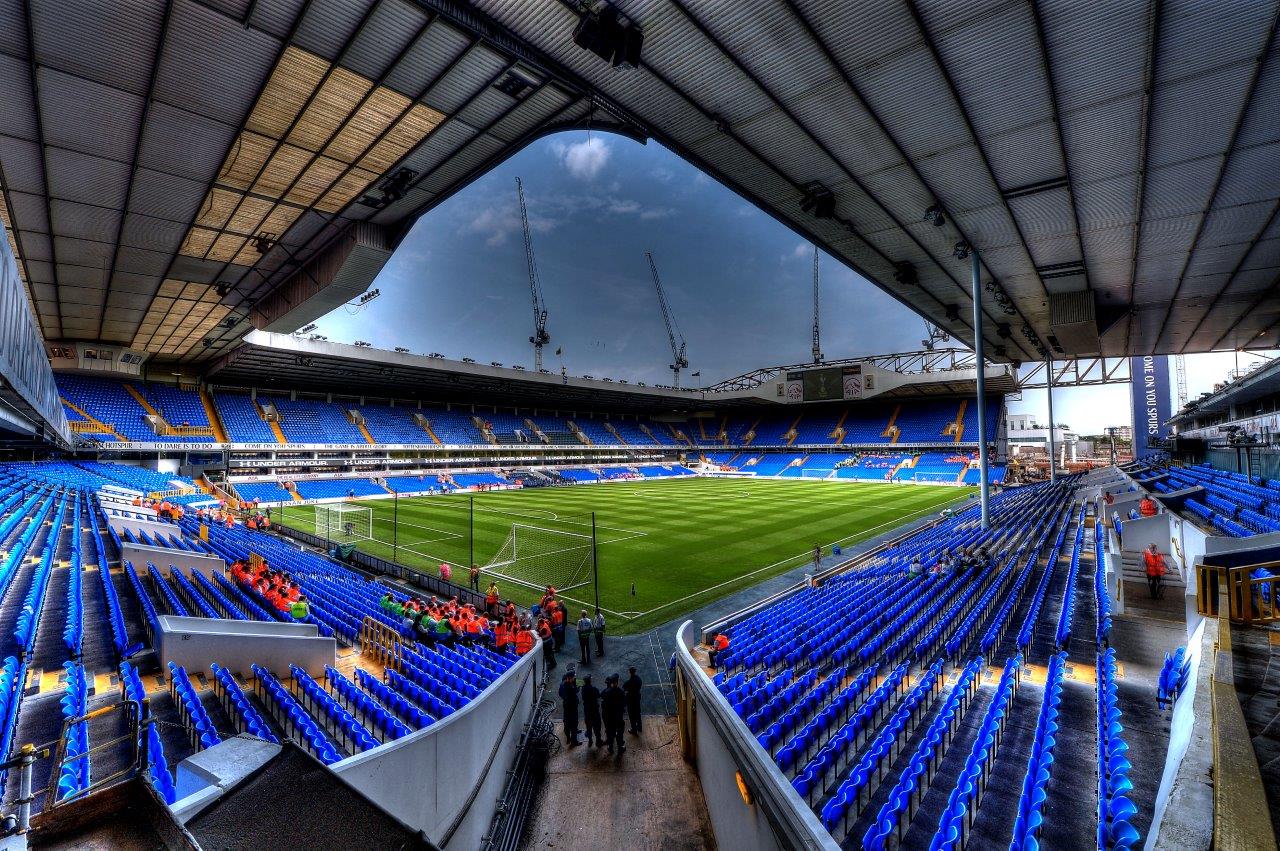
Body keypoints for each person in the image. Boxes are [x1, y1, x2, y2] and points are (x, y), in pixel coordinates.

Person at [601, 674, 626, 756]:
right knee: (619, 733)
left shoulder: (606, 692)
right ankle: (620, 748)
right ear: (617, 682)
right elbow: (624, 704)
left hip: (610, 717)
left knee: (610, 732)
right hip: (618, 717)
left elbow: (603, 704)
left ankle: (610, 747)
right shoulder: (621, 692)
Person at [558, 672, 580, 746]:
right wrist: (577, 686)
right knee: (574, 723)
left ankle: (568, 738)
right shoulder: (571, 687)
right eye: (573, 677)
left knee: (567, 723)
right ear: (570, 678)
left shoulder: (562, 684)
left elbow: (560, 693)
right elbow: (576, 690)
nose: (574, 678)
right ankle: (574, 741)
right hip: (572, 707)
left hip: (566, 706)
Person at [580, 675, 602, 747]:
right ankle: (598, 741)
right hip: (594, 710)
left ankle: (590, 740)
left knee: (588, 727)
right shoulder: (593, 689)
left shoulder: (583, 689)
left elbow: (579, 683)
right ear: (590, 681)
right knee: (597, 727)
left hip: (587, 711)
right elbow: (598, 695)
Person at [623, 667, 643, 735]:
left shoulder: (628, 682)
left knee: (632, 716)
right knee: (638, 714)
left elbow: (624, 687)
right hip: (637, 698)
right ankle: (639, 727)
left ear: (629, 672)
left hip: (630, 700)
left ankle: (634, 730)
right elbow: (640, 684)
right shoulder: (638, 679)